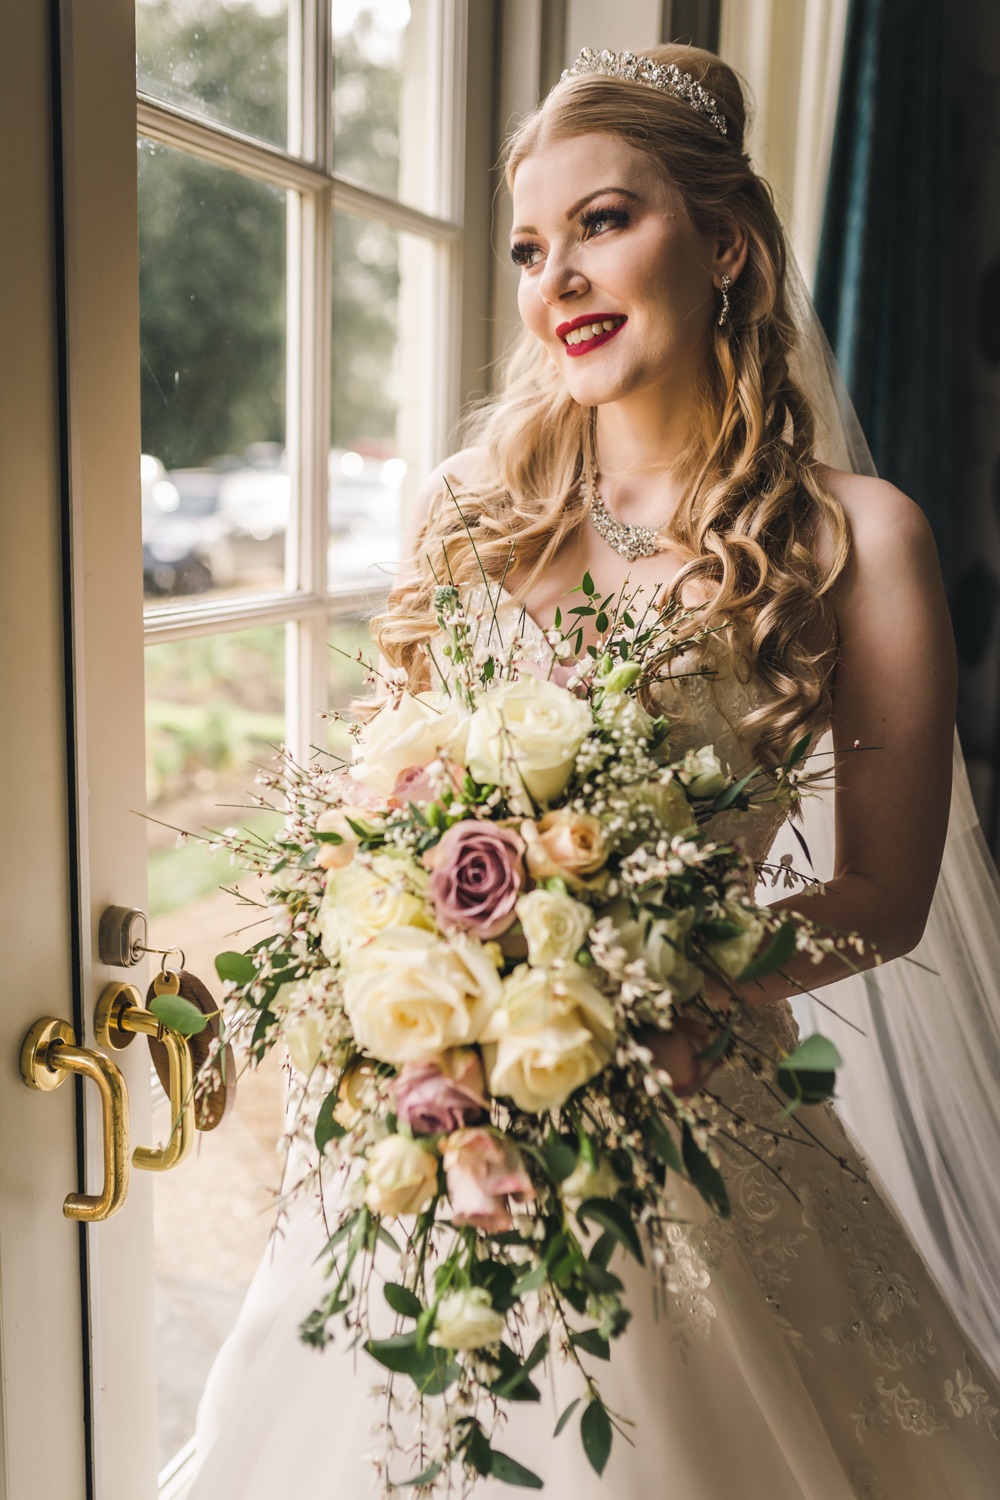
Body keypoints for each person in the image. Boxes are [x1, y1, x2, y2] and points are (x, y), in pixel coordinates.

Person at [187, 45, 1000, 1498]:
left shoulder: (860, 541)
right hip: (447, 1141)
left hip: (695, 1112)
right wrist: (414, 1002)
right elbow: (379, 805)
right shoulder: (468, 511)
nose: (556, 276)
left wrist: (651, 976)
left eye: (603, 222)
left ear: (727, 245)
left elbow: (885, 892)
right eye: (528, 245)